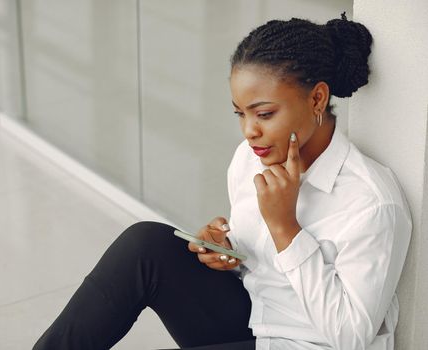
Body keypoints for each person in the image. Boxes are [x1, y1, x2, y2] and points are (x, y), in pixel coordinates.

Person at [33, 13, 412, 350]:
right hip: (252, 318)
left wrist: (286, 231)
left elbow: (351, 337)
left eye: (264, 113)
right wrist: (226, 252)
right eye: (240, 114)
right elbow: (258, 271)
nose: (250, 132)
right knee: (146, 243)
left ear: (316, 99)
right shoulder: (251, 159)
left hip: (307, 342)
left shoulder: (371, 202)